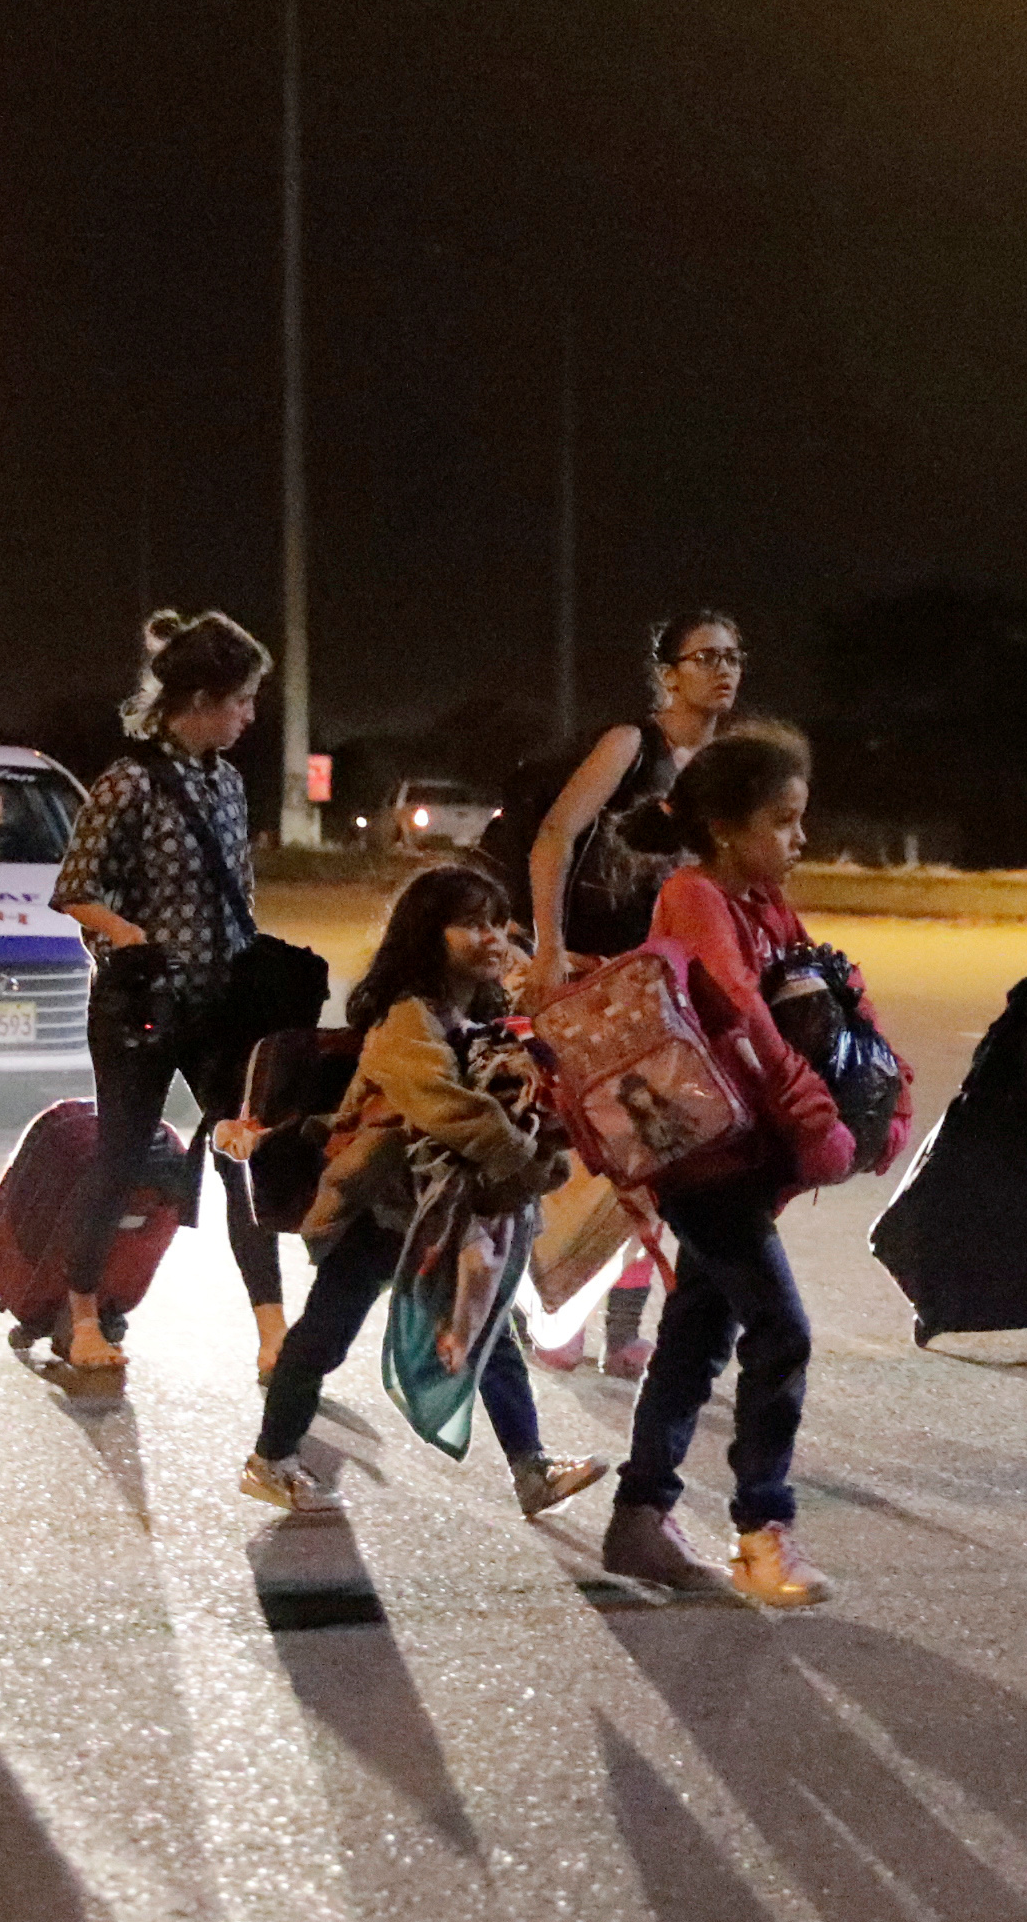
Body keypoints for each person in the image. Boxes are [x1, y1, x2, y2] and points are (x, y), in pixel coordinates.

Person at [240, 865, 609, 1521]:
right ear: (427, 935)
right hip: (381, 1211)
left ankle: (532, 1470)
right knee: (325, 1337)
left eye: (499, 921)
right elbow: (451, 1110)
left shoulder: (476, 1011)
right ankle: (271, 1458)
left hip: (435, 1212)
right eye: (472, 923)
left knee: (491, 1332)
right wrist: (526, 1159)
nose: (493, 936)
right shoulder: (407, 1021)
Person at [595, 727, 861, 1604]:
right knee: (781, 1332)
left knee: (698, 1332)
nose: (799, 840)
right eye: (783, 822)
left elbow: (809, 990)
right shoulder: (697, 894)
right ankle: (762, 1529)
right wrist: (813, 1113)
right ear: (723, 826)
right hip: (702, 1157)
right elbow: (743, 1015)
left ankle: (640, 1517)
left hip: (740, 1155)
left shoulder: (763, 899)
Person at [48, 611, 287, 1374]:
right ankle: (83, 1314)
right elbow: (75, 889)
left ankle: (274, 1333)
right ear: (203, 698)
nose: (251, 715)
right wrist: (128, 937)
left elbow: (237, 894)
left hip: (220, 1009)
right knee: (120, 1155)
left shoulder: (228, 782)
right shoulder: (128, 782)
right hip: (142, 1010)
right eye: (243, 699)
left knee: (244, 1156)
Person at [523, 609, 746, 1377]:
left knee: (667, 1151)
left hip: (676, 987)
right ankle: (556, 1309)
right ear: (669, 671)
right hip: (596, 973)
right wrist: (547, 945)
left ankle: (625, 1329)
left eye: (734, 656)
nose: (724, 669)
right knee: (595, 1152)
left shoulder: (733, 766)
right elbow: (554, 835)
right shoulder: (630, 745)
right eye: (707, 656)